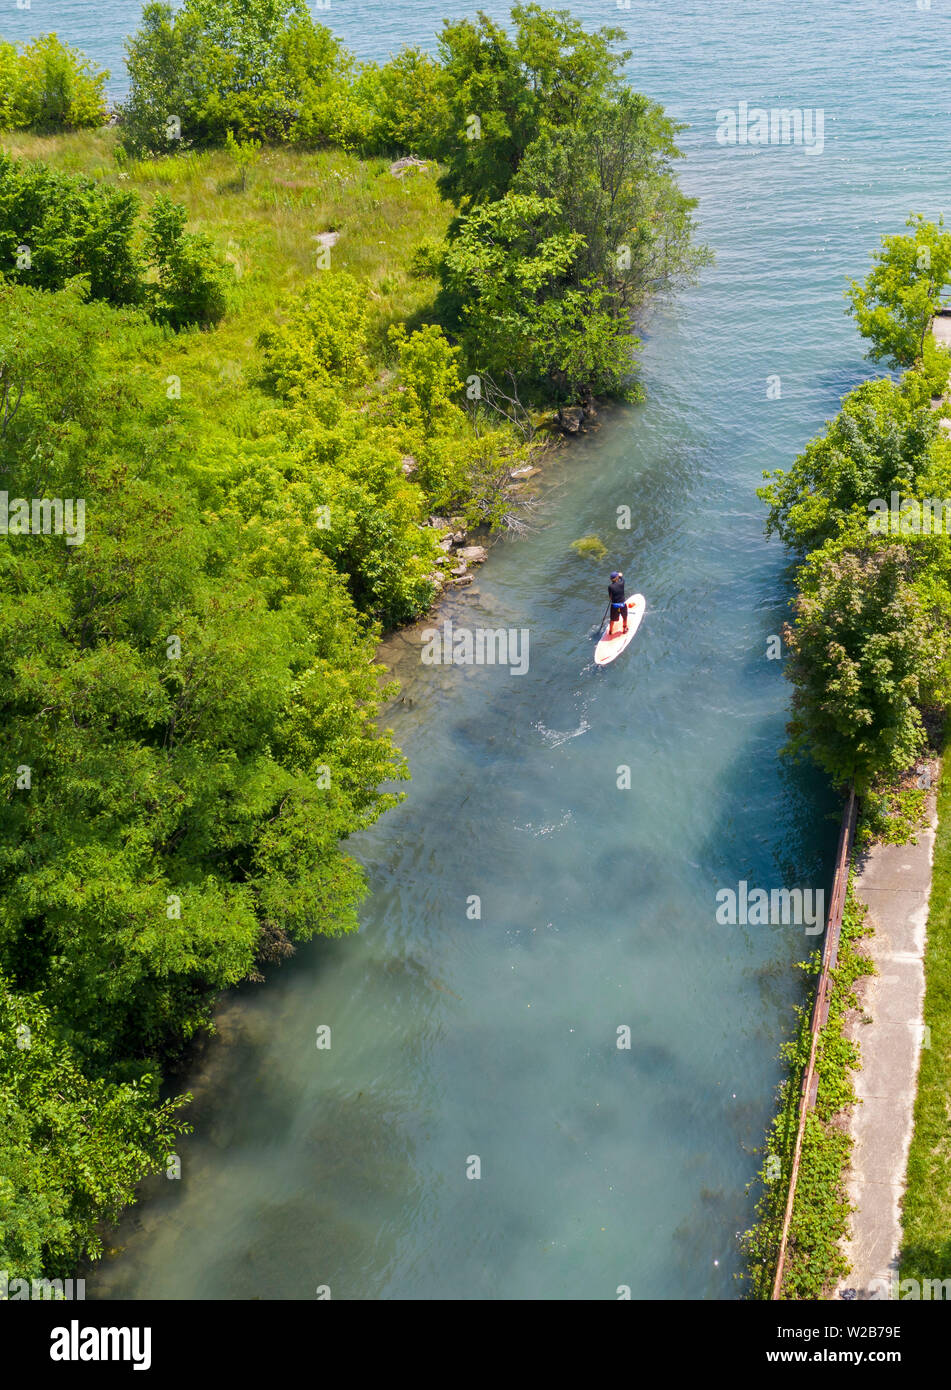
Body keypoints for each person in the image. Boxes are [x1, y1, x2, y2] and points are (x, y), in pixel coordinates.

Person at [607, 570, 627, 636]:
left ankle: (610, 631)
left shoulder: (610, 587)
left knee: (612, 619)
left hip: (614, 605)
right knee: (624, 617)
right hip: (622, 605)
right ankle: (624, 629)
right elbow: (622, 580)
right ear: (617, 578)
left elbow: (610, 597)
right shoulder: (622, 583)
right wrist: (621, 576)